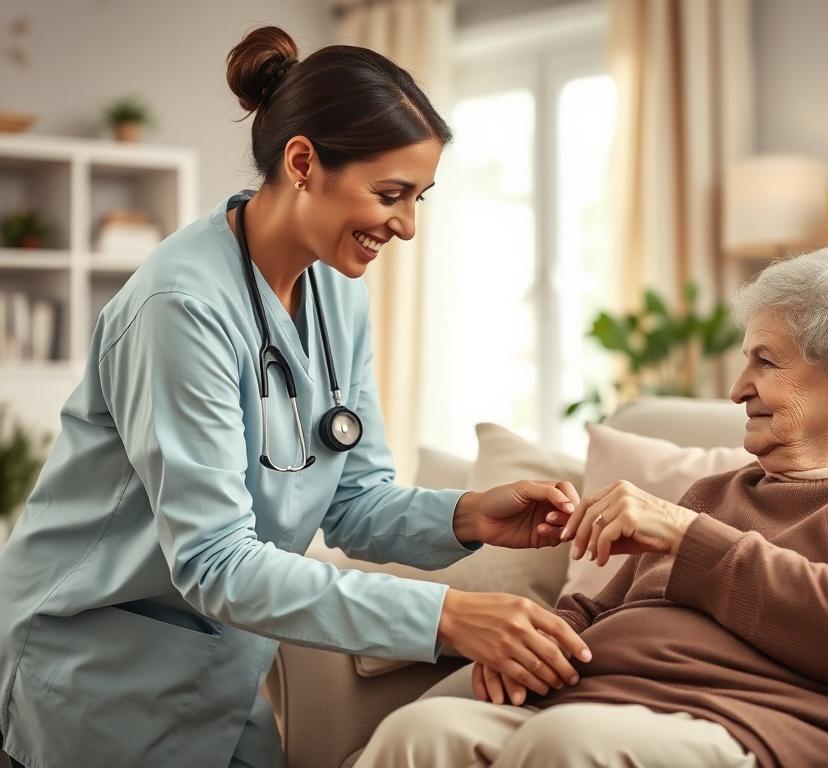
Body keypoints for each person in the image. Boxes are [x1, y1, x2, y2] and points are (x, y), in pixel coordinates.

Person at [0, 27, 590, 768]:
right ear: (303, 162)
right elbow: (216, 559)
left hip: (222, 674)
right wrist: (448, 617)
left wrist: (468, 513)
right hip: (99, 676)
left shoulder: (337, 295)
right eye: (390, 194)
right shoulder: (180, 306)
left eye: (418, 199)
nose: (406, 225)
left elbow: (352, 502)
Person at [357, 249, 828, 768]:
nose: (738, 388)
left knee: (569, 746)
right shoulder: (719, 493)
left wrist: (688, 536)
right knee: (420, 733)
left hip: (762, 725)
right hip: (599, 703)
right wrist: (532, 641)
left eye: (764, 361)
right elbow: (603, 610)